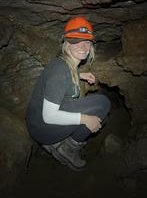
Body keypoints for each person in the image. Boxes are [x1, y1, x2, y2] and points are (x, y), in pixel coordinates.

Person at [26, 16, 111, 171]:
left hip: (41, 122)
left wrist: (80, 75)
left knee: (101, 119)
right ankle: (67, 147)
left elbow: (64, 78)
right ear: (67, 44)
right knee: (102, 104)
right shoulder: (59, 70)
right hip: (42, 126)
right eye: (76, 41)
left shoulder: (67, 65)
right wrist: (84, 119)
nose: (83, 46)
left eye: (86, 42)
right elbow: (49, 116)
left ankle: (67, 142)